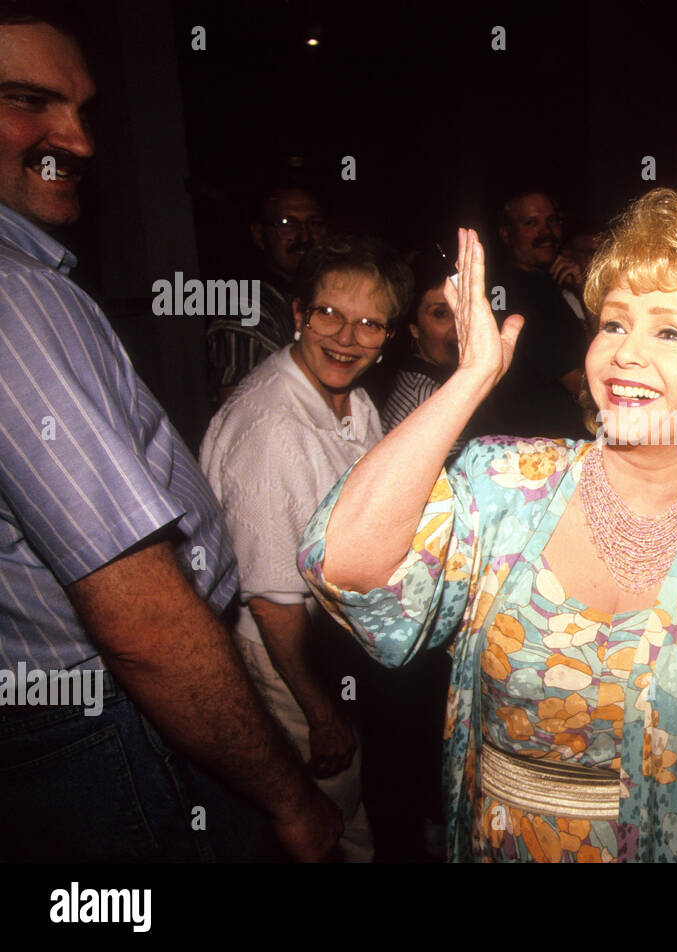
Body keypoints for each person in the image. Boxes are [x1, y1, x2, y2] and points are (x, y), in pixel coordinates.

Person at [298, 188, 677, 862]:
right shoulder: (507, 482)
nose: (624, 353)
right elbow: (345, 565)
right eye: (615, 324)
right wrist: (471, 378)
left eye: (669, 330)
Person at [0, 5, 341, 861]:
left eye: (84, 112)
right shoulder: (19, 300)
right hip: (119, 725)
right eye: (26, 101)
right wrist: (292, 799)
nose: (74, 140)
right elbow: (142, 618)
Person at [201, 233, 413, 862]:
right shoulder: (274, 433)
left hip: (327, 644)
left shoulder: (353, 399)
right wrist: (320, 712)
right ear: (297, 314)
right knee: (324, 825)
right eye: (329, 315)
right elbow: (272, 605)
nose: (347, 338)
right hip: (282, 657)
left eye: (370, 323)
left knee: (350, 807)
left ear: (389, 336)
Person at [207, 182, 329, 406]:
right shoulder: (244, 311)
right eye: (287, 224)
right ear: (259, 235)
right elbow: (239, 415)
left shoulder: (320, 298)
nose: (304, 236)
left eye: (314, 223)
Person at [489, 189, 588, 438]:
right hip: (545, 455)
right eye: (531, 223)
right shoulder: (525, 294)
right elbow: (584, 388)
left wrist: (581, 292)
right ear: (506, 235)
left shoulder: (543, 284)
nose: (546, 232)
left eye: (552, 221)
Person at [381, 247, 460, 433]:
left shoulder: (419, 381)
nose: (459, 325)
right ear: (414, 328)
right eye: (441, 314)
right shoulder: (430, 399)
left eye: (463, 309)